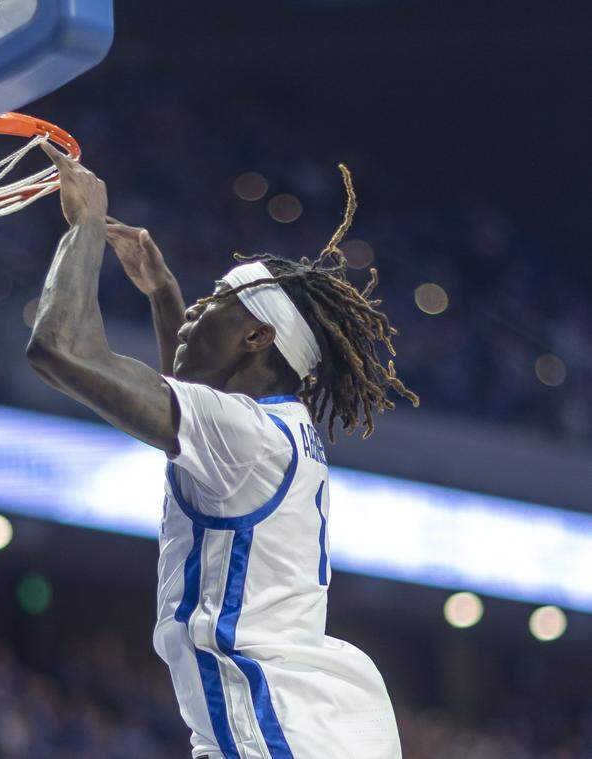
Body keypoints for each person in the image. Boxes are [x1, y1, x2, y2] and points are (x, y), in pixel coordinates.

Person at [27, 142, 419, 759]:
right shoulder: (274, 429)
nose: (192, 319)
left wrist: (86, 226)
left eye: (212, 306)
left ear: (258, 336)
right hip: (291, 725)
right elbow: (191, 416)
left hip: (273, 732)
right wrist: (162, 294)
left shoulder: (248, 435)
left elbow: (61, 350)